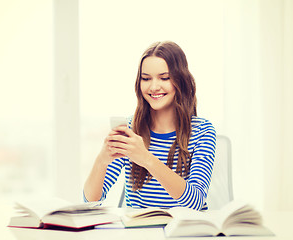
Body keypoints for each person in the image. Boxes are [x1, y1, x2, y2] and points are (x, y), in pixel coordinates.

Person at [83, 41, 216, 210]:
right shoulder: (130, 130)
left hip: (184, 233)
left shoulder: (202, 131)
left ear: (181, 80)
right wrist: (102, 159)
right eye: (146, 79)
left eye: (164, 78)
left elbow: (196, 202)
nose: (154, 87)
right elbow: (90, 202)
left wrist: (145, 158)